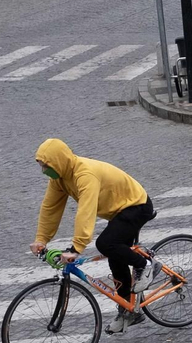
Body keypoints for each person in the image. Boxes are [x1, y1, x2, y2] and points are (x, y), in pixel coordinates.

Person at [30, 139, 156, 332]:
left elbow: (86, 210)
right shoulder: (59, 179)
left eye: (47, 166)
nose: (44, 171)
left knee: (106, 243)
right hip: (118, 211)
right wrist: (41, 239)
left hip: (136, 205)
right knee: (115, 258)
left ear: (59, 161)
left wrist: (76, 248)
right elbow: (50, 208)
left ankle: (144, 264)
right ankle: (128, 311)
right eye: (42, 167)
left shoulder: (84, 174)